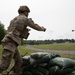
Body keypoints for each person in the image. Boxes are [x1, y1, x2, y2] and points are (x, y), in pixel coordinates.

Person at [0, 5, 46, 75]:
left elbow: (9, 30)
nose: (28, 14)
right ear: (25, 12)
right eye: (28, 12)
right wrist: (43, 29)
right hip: (10, 42)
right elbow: (35, 26)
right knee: (4, 65)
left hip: (11, 42)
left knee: (19, 61)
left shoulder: (13, 19)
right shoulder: (24, 19)